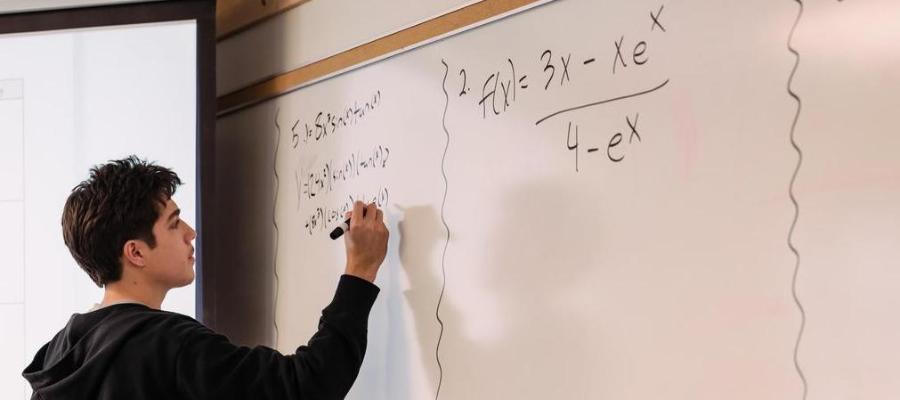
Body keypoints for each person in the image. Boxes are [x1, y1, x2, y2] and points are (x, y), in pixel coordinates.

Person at [22, 155, 389, 399]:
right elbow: (305, 387)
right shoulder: (169, 345)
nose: (190, 233)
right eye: (174, 223)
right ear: (136, 253)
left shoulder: (59, 354)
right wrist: (360, 272)